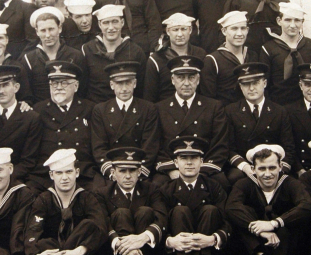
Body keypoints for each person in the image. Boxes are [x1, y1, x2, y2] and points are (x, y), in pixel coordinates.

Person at [20, 149, 109, 255]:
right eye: (59, 173)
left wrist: (77, 252)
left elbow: (102, 229)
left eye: (69, 172)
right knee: (45, 243)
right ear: (51, 175)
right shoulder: (44, 199)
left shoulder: (87, 198)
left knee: (89, 225)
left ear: (77, 172)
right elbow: (32, 231)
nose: (65, 177)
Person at [226, 145, 311, 255]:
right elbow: (231, 207)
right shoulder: (244, 184)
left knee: (291, 220)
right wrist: (260, 228)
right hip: (255, 245)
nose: (267, 174)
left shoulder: (291, 183)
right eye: (262, 169)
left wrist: (275, 223)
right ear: (253, 169)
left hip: (284, 245)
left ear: (280, 166)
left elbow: (307, 206)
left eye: (272, 168)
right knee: (242, 217)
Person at [159, 137, 231, 255]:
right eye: (184, 158)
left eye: (194, 158)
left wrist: (212, 239)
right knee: (180, 211)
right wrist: (171, 241)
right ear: (176, 163)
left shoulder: (214, 187)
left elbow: (227, 222)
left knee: (210, 210)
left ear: (202, 161)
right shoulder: (166, 190)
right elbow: (160, 224)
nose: (189, 163)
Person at [97, 147, 167, 255]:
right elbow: (101, 223)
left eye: (132, 170)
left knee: (144, 211)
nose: (128, 176)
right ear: (113, 172)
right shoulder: (102, 193)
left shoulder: (151, 189)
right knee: (121, 213)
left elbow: (162, 218)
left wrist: (143, 237)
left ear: (139, 171)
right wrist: (122, 245)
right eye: (122, 171)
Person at [153, 56, 232, 190]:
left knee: (222, 184)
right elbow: (155, 145)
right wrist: (172, 170)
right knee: (156, 186)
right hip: (172, 170)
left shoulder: (214, 106)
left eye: (191, 77)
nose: (186, 83)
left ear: (198, 79)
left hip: (204, 169)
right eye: (181, 77)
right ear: (172, 80)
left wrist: (200, 171)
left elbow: (220, 144)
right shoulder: (159, 108)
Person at [32, 61, 102, 193]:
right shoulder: (38, 110)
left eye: (64, 83)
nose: (58, 87)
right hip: (47, 175)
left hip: (82, 173)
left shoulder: (90, 109)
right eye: (54, 83)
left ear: (76, 86)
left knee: (97, 195)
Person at [224, 62, 297, 182]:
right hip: (246, 166)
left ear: (265, 83)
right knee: (234, 177)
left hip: (273, 165)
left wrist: (277, 168)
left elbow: (289, 148)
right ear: (240, 87)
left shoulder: (279, 111)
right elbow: (228, 148)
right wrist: (245, 167)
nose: (251, 88)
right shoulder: (230, 111)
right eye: (246, 84)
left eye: (256, 83)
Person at [91, 61, 160, 181]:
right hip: (112, 173)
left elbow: (150, 147)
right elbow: (99, 148)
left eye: (128, 83)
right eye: (119, 83)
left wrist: (137, 173)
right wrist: (112, 173)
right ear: (112, 85)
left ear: (135, 83)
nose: (124, 89)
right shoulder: (101, 110)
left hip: (138, 172)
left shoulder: (148, 108)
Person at [260, 2, 311, 105]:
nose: (293, 25)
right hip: (278, 104)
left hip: (305, 105)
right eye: (288, 20)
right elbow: (265, 83)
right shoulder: (268, 48)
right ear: (279, 21)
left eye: (297, 20)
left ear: (302, 22)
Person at [81, 4, 148, 104]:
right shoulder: (87, 49)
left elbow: (141, 87)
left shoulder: (136, 51)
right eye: (106, 23)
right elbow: (83, 86)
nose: (111, 27)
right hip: (95, 110)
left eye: (115, 22)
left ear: (122, 23)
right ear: (100, 25)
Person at [20, 7, 86, 106]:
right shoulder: (29, 59)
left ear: (59, 28)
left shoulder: (75, 55)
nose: (47, 35)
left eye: (51, 29)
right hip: (41, 113)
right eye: (43, 30)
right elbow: (28, 94)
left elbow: (83, 89)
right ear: (37, 32)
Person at [0, 65, 42, 186]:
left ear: (16, 87)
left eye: (6, 85)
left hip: (18, 177)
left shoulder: (31, 118)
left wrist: (5, 177)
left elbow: (29, 161)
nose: (1, 91)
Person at [144, 13, 206, 103]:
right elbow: (150, 96)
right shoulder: (156, 59)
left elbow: (204, 89)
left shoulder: (200, 54)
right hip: (165, 111)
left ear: (190, 30)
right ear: (168, 31)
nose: (180, 34)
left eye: (184, 29)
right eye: (175, 30)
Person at [200, 10, 258, 104]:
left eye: (243, 28)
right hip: (224, 115)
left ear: (247, 30)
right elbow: (208, 99)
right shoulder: (212, 60)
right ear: (224, 31)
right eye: (234, 28)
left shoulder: (252, 56)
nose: (239, 33)